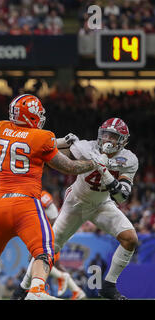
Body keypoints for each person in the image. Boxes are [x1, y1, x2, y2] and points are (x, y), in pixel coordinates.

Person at [0, 94, 103, 300]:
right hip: (25, 204)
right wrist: (95, 163)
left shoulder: (0, 128)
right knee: (45, 251)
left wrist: (59, 141)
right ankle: (36, 291)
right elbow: (68, 166)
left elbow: (26, 142)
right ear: (31, 116)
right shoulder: (42, 138)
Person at [46, 118, 138, 300]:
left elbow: (120, 197)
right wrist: (61, 142)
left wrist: (104, 171)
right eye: (105, 135)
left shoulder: (129, 159)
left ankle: (109, 286)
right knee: (50, 246)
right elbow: (60, 160)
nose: (107, 140)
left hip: (102, 203)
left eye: (113, 136)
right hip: (77, 203)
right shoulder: (86, 148)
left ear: (123, 141)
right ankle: (24, 288)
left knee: (130, 239)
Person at [12, 189, 86, 300]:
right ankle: (76, 290)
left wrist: (47, 235)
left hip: (51, 232)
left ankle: (65, 281)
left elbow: (54, 218)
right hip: (45, 233)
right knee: (50, 263)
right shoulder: (27, 198)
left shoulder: (42, 196)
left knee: (41, 260)